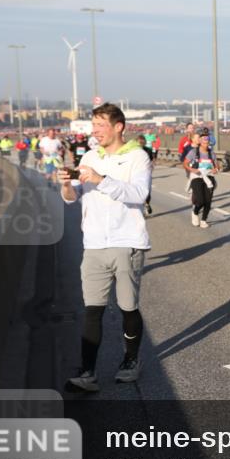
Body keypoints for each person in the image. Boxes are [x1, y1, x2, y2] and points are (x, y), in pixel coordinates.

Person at [60, 103, 152, 392]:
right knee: (92, 309)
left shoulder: (137, 157)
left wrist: (100, 180)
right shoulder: (90, 156)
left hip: (127, 241)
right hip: (94, 244)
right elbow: (73, 198)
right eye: (93, 126)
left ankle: (131, 360)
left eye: (100, 125)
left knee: (127, 307)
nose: (95, 131)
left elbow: (139, 194)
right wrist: (67, 185)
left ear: (118, 126)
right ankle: (88, 373)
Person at [183, 129, 220, 228]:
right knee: (200, 200)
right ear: (199, 141)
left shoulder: (212, 153)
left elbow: (217, 166)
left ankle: (204, 220)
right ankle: (195, 212)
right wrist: (192, 169)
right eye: (203, 141)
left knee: (208, 200)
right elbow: (185, 164)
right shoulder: (193, 152)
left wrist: (216, 169)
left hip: (209, 178)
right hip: (197, 177)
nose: (205, 143)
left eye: (207, 141)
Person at [137, 134, 156, 216]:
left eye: (142, 142)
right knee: (143, 191)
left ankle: (146, 204)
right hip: (137, 173)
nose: (141, 144)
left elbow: (152, 160)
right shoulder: (134, 151)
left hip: (146, 173)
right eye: (139, 142)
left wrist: (151, 167)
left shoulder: (148, 150)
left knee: (146, 191)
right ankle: (144, 205)